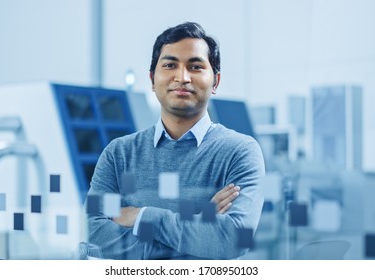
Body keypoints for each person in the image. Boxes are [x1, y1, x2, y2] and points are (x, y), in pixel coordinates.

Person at [86, 22, 265, 259]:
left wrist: (142, 216)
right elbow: (94, 233)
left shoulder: (240, 152)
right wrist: (198, 229)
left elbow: (232, 239)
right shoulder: (118, 154)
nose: (182, 77)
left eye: (196, 66)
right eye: (170, 65)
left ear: (216, 82)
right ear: (152, 79)